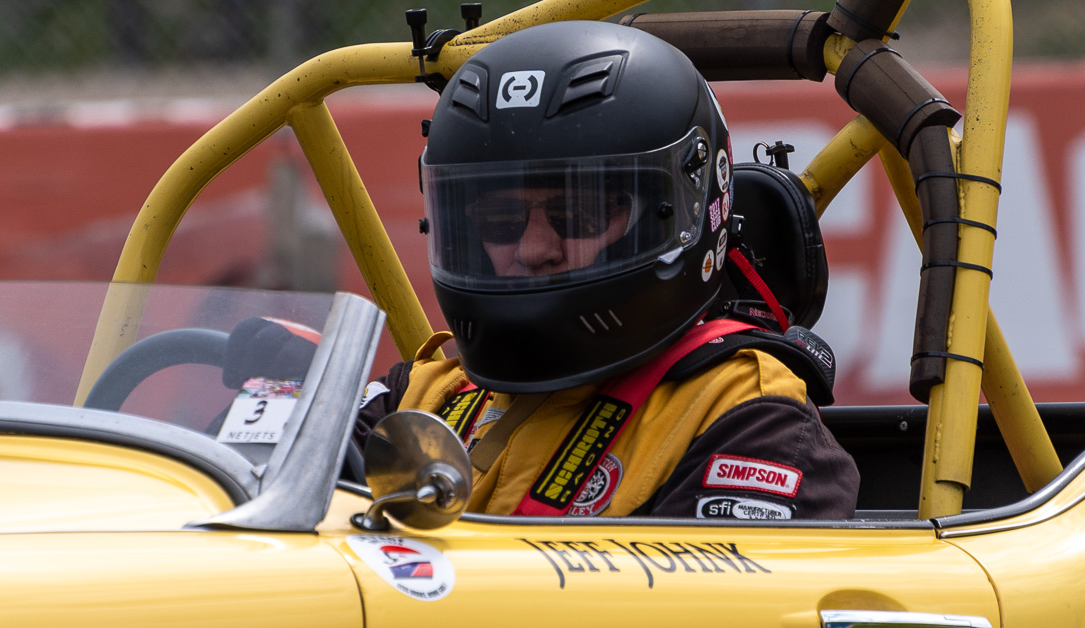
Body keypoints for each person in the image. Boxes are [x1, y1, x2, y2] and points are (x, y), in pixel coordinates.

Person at [354, 20, 858, 522]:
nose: (532, 249)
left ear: (677, 211)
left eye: (578, 215)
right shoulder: (421, 396)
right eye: (500, 220)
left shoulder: (749, 420)